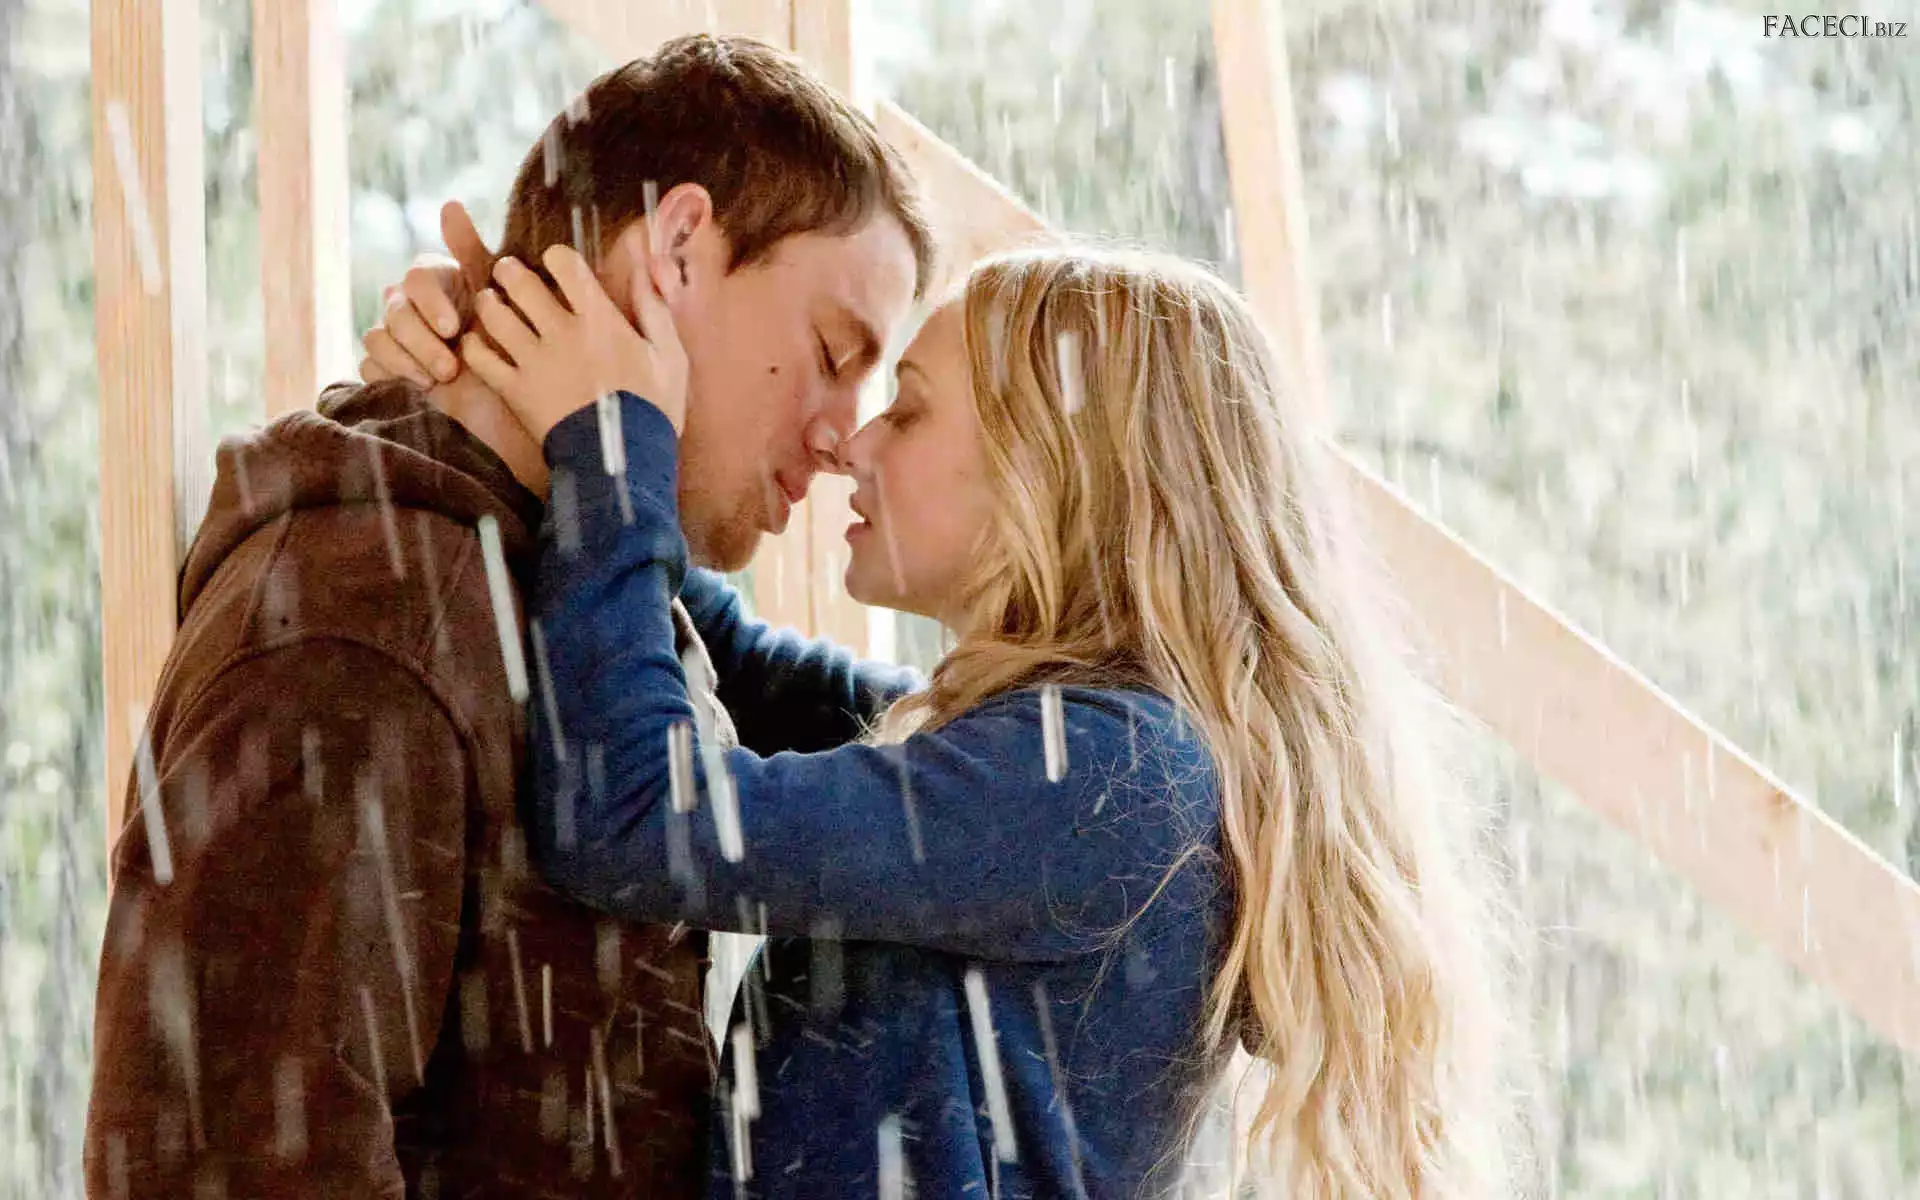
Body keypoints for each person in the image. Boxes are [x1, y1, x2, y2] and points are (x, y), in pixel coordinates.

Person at [423, 239, 1514, 1197]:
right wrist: (514, 416)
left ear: (1056, 471)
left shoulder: (1096, 778)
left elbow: (634, 815)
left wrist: (608, 443)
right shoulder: (1080, 760)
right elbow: (734, 667)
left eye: (908, 408)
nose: (854, 444)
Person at [83, 34, 933, 1198]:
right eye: (834, 352)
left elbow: (921, 751)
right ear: (678, 250)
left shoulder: (575, 590)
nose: (843, 437)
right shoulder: (365, 629)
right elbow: (217, 1172)